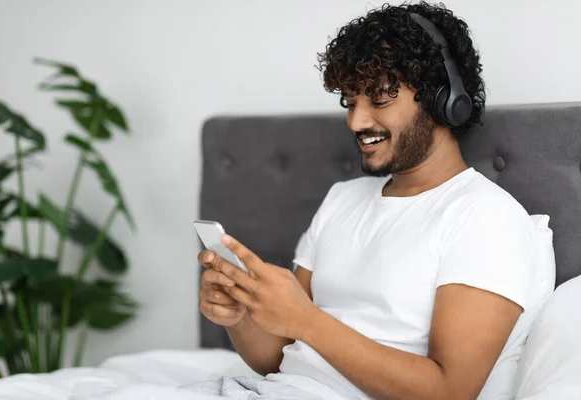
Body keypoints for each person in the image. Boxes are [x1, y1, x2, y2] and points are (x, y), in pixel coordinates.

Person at [193, 2, 549, 399]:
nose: (356, 122)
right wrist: (240, 317)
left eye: (378, 98)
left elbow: (449, 391)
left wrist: (307, 320)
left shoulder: (485, 218)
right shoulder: (342, 200)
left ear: (441, 98)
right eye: (350, 101)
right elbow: (281, 357)